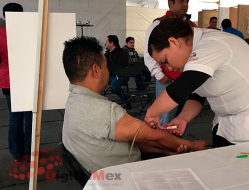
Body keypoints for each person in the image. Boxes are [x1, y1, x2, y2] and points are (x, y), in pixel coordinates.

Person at [61, 36, 210, 172]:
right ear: (95, 70)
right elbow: (152, 137)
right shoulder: (100, 110)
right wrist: (192, 146)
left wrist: (165, 150)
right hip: (130, 174)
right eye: (105, 66)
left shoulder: (73, 101)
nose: (108, 71)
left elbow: (138, 138)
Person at [145, 18, 249, 148]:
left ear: (173, 42)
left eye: (165, 61)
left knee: (240, 166)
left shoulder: (211, 44)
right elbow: (197, 95)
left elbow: (181, 88)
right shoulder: (195, 53)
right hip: (225, 122)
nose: (168, 68)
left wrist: (152, 113)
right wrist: (183, 118)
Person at [144, 0, 197, 128]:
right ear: (170, 4)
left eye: (187, 1)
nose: (185, 4)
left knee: (183, 119)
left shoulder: (191, 26)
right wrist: (160, 75)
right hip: (167, 80)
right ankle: (165, 147)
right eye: (181, 1)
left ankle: (180, 146)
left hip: (186, 79)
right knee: (163, 120)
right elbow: (149, 53)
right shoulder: (158, 24)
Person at [0, 3, 32, 161]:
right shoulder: (29, 33)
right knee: (30, 117)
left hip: (9, 81)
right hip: (27, 79)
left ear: (5, 15)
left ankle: (17, 153)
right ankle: (30, 151)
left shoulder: (0, 34)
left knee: (14, 117)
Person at [104, 35, 131, 109]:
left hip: (120, 76)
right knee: (95, 83)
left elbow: (120, 68)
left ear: (112, 43)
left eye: (106, 41)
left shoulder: (121, 53)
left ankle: (127, 98)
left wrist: (107, 69)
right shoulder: (107, 54)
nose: (104, 43)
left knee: (114, 87)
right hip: (109, 76)